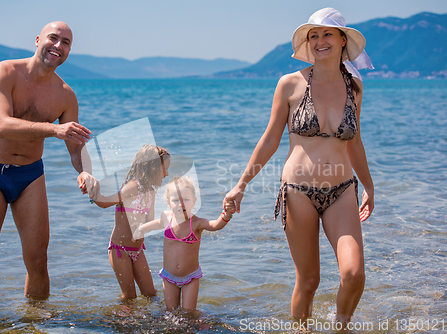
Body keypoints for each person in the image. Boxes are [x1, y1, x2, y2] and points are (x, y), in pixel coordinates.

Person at [224, 8, 374, 326]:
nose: (320, 40)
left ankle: (340, 328)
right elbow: (269, 140)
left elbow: (355, 142)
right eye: (314, 35)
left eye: (327, 34)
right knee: (308, 282)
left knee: (354, 274)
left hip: (342, 190)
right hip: (298, 193)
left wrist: (370, 187)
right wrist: (241, 184)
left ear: (343, 40)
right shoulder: (290, 84)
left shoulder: (355, 89)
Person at [0, 22, 95, 304]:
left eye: (66, 42)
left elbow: (74, 149)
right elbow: (1, 125)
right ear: (37, 40)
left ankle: (35, 322)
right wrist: (54, 130)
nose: (58, 46)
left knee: (38, 261)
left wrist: (85, 172)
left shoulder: (65, 95)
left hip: (31, 176)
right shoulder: (4, 72)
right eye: (53, 38)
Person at [78, 144, 171, 300]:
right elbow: (106, 202)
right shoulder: (132, 187)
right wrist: (91, 192)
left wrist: (163, 221)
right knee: (129, 297)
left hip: (138, 250)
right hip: (120, 250)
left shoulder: (151, 192)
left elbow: (149, 223)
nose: (167, 174)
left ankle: (150, 321)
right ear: (152, 168)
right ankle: (124, 321)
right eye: (165, 169)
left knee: (151, 293)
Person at [134, 176, 235, 311]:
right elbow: (158, 223)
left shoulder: (197, 223)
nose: (181, 204)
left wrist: (226, 214)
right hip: (169, 277)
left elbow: (215, 225)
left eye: (186, 200)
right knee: (171, 312)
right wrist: (141, 229)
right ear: (169, 202)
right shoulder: (166, 216)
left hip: (190, 278)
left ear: (194, 201)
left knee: (188, 313)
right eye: (176, 200)